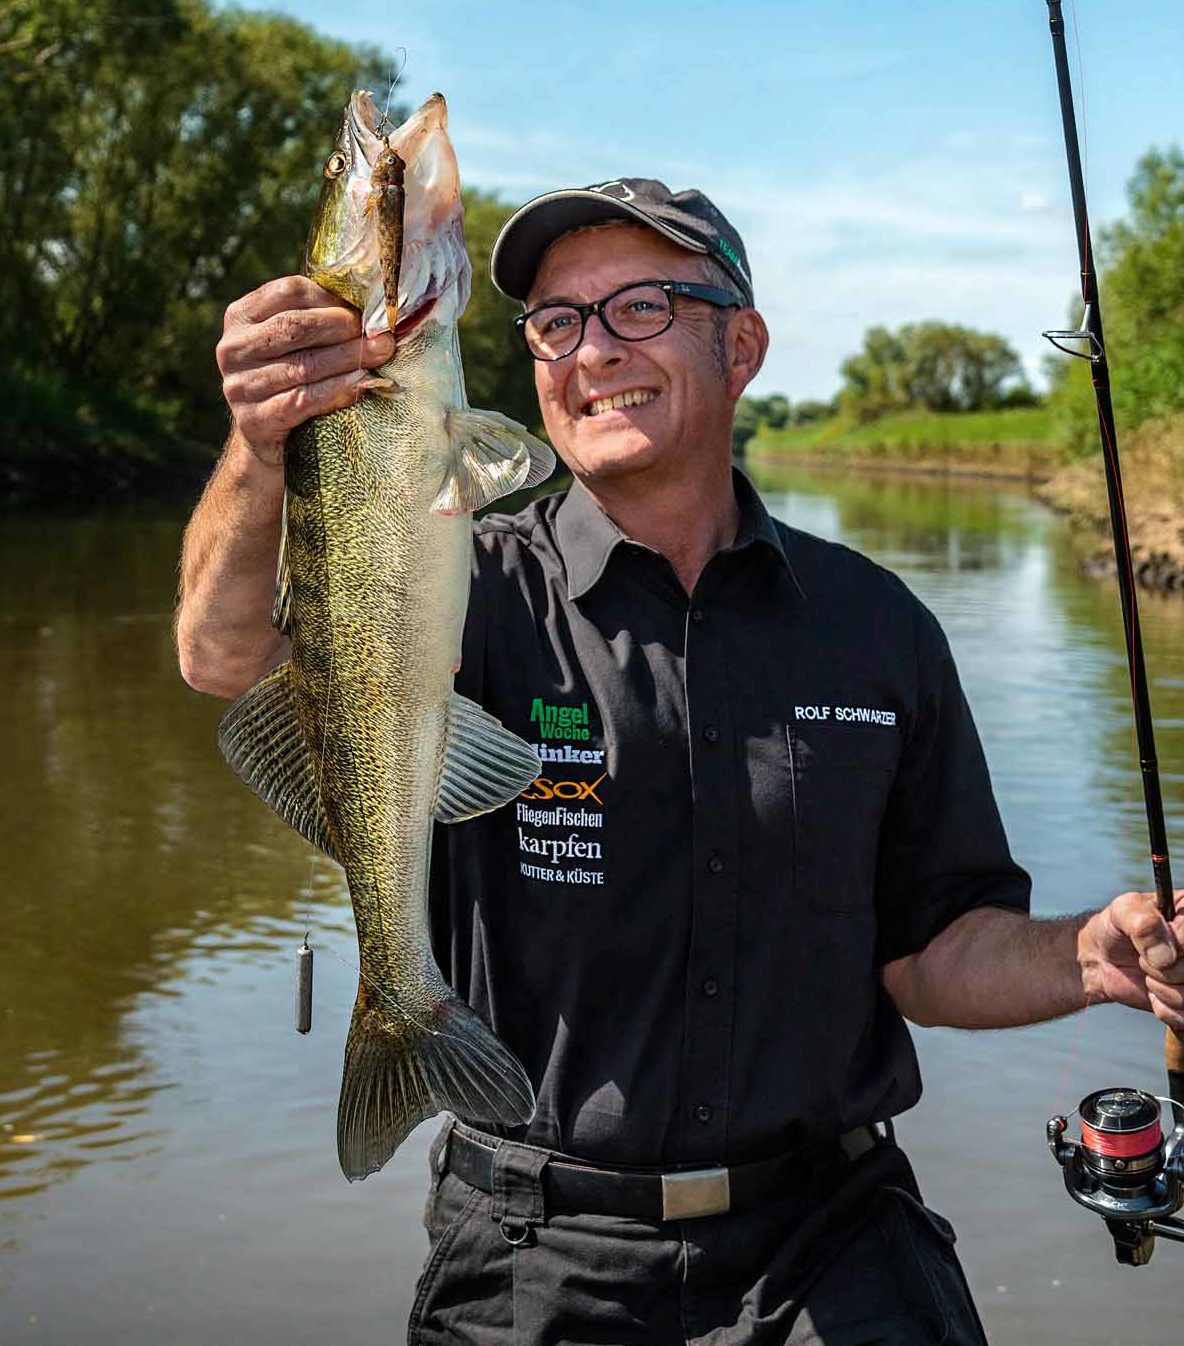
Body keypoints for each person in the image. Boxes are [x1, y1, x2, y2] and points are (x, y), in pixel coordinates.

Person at [176, 177, 1184, 1345]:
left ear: (741, 344)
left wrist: (1088, 956)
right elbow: (218, 652)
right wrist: (261, 449)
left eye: (640, 308)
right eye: (557, 321)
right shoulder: (461, 584)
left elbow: (929, 954)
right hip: (532, 1246)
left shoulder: (876, 625)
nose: (591, 351)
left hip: (833, 1234)